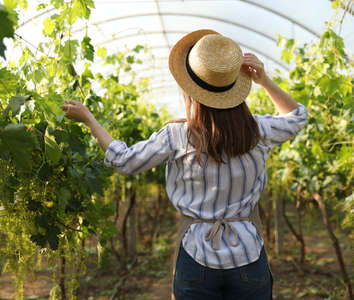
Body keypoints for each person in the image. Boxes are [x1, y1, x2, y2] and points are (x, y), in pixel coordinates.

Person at [62, 29, 308, 300]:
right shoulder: (258, 130)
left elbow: (124, 160)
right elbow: (297, 117)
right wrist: (265, 81)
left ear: (190, 90)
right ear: (234, 87)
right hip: (248, 253)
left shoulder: (177, 136)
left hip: (197, 255)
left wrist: (89, 120)